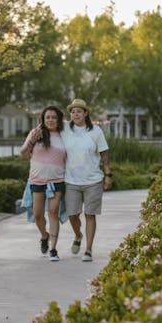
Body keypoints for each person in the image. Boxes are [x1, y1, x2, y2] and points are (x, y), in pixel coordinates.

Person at [61, 99, 112, 262]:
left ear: (85, 113)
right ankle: (78, 235)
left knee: (90, 214)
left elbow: (104, 154)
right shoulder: (65, 130)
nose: (75, 114)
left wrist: (108, 174)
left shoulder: (96, 131)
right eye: (73, 111)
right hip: (71, 181)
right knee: (72, 214)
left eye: (79, 111)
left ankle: (88, 250)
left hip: (93, 180)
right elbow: (48, 126)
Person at [20, 105, 66, 261]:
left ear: (58, 119)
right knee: (38, 214)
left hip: (57, 180)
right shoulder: (36, 133)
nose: (51, 120)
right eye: (48, 117)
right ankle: (44, 236)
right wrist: (31, 141)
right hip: (37, 180)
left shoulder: (64, 135)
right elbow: (23, 154)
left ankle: (53, 249)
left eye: (54, 117)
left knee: (53, 212)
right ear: (43, 119)